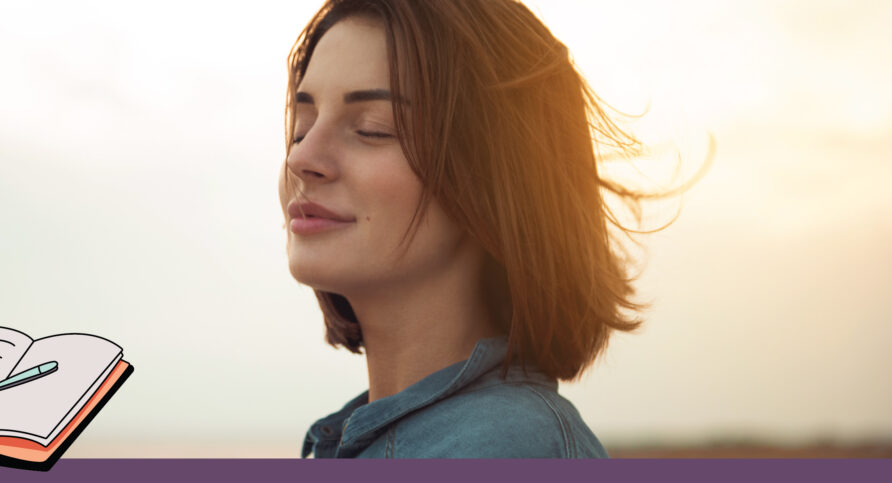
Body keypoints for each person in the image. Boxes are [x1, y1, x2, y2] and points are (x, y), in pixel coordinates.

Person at [278, 0, 694, 458]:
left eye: (374, 129)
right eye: (302, 127)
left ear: (495, 177)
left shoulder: (510, 447)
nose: (301, 157)